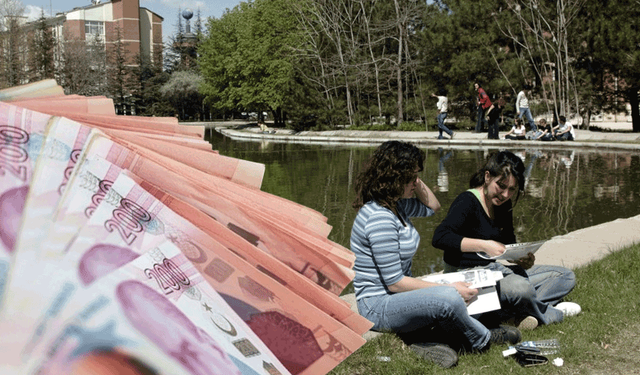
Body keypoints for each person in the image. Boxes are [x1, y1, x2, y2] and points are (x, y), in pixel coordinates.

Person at [350, 141, 521, 368]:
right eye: (411, 177)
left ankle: (427, 341)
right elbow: (395, 283)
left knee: (463, 284)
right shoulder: (379, 217)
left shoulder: (397, 206)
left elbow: (433, 206)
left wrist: (415, 179)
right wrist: (448, 288)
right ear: (394, 177)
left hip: (395, 298)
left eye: (416, 176)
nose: (416, 182)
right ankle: (483, 339)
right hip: (378, 305)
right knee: (449, 297)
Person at [432, 151, 581, 331]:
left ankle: (512, 313)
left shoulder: (503, 205)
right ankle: (551, 314)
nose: (505, 194)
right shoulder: (467, 201)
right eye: (501, 186)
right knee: (521, 288)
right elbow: (440, 237)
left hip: (496, 272)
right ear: (487, 177)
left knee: (564, 276)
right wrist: (483, 245)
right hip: (468, 276)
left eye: (511, 189)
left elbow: (507, 243)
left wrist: (520, 258)